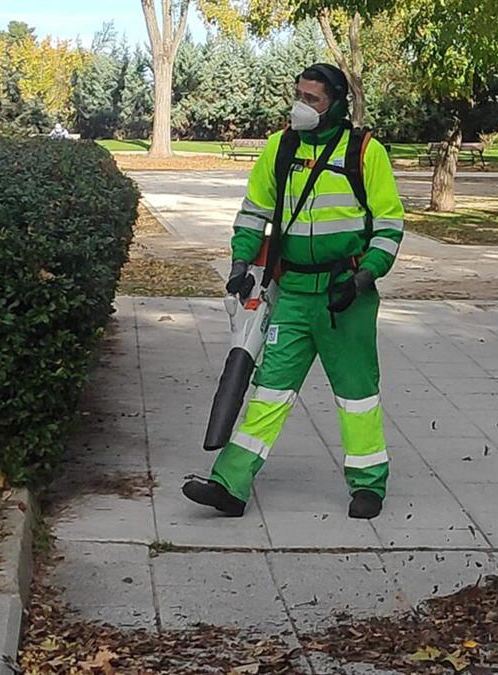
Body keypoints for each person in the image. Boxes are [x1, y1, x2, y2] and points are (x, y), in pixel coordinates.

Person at [183, 63, 405, 520]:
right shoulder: (280, 148)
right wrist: (241, 265)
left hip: (346, 296)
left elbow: (388, 226)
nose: (301, 107)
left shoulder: (365, 152)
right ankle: (230, 484)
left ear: (337, 104)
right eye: (299, 96)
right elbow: (253, 213)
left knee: (356, 394)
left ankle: (368, 484)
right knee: (269, 389)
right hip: (293, 292)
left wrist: (363, 279)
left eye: (313, 100)